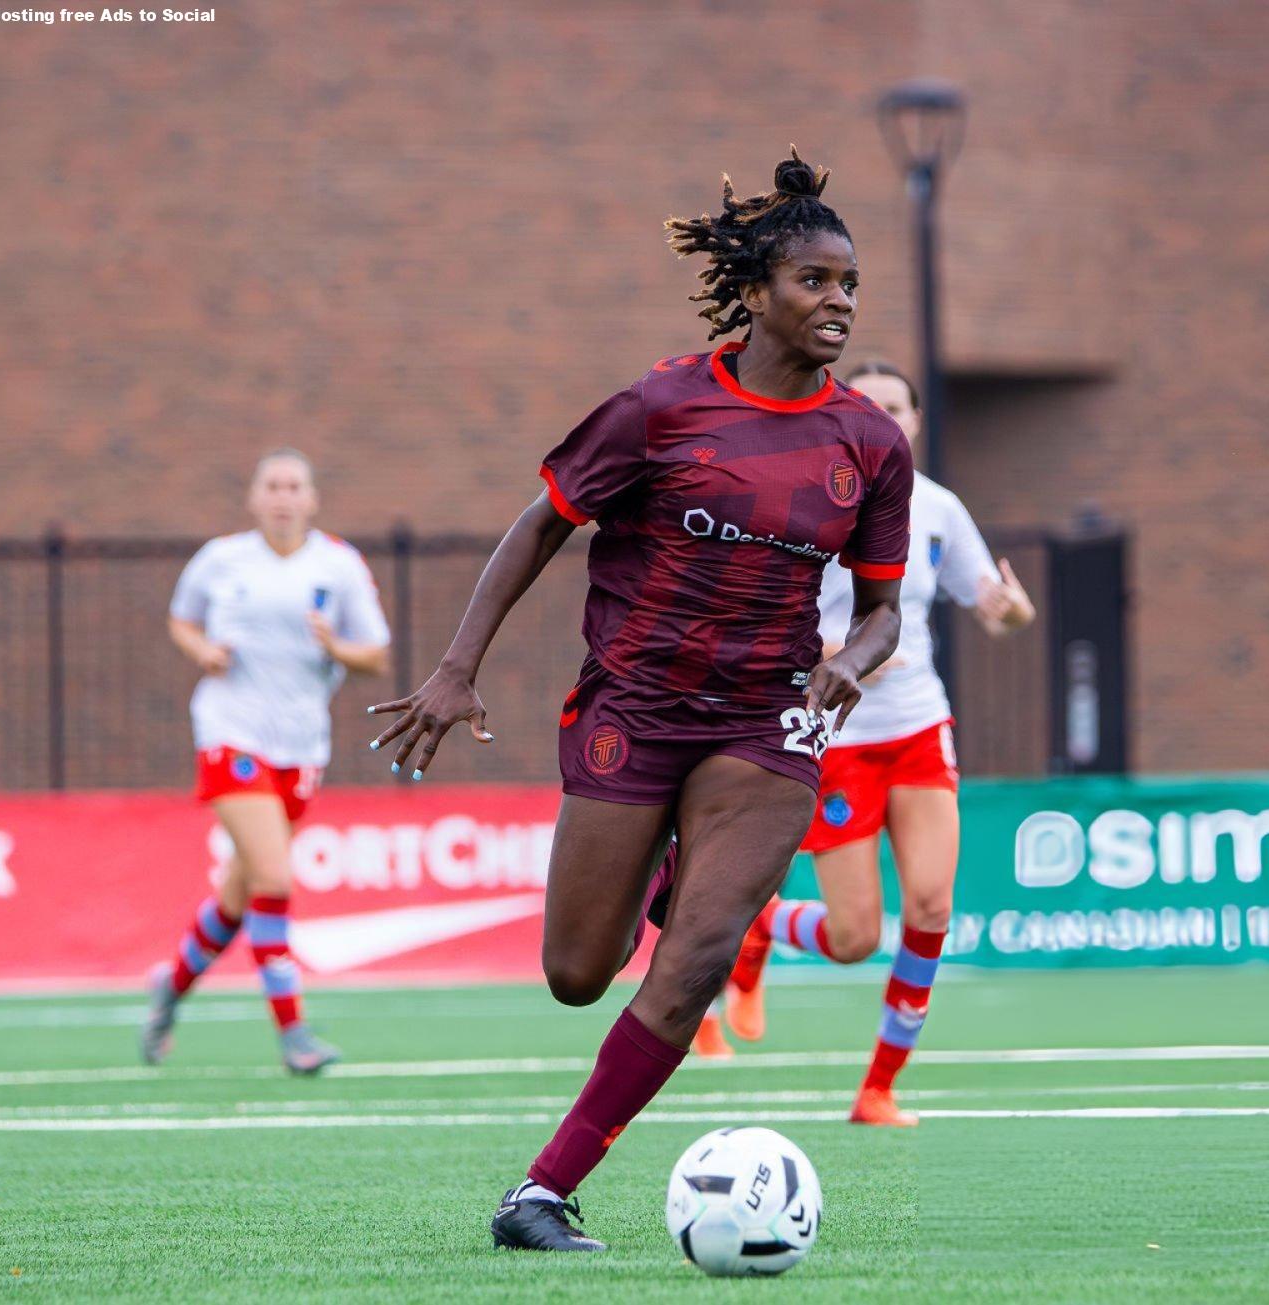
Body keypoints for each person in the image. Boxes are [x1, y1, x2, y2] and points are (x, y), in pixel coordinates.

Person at [369, 149, 913, 1253]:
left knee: (696, 959)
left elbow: (883, 608)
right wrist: (457, 666)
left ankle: (539, 1193)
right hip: (636, 708)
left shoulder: (870, 444)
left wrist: (855, 657)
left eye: (849, 284)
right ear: (756, 291)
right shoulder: (659, 406)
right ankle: (668, 869)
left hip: (768, 722)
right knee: (576, 974)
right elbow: (540, 526)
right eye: (814, 281)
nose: (838, 302)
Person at [701, 360, 1035, 1127]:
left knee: (931, 903)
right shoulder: (805, 499)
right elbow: (749, 617)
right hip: (837, 735)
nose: (882, 416)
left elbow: (994, 608)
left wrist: (1013, 610)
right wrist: (826, 652)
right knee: (853, 937)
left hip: (920, 727)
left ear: (913, 423)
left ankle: (878, 1087)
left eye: (897, 406)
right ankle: (761, 925)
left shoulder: (940, 509)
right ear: (843, 413)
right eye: (868, 403)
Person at [140, 449, 392, 1075]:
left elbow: (377, 657)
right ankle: (294, 1033)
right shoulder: (223, 559)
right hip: (231, 733)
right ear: (254, 499)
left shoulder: (339, 565)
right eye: (272, 486)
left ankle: (170, 988)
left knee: (238, 896)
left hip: (301, 745)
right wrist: (203, 650)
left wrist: (337, 647)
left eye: (294, 486)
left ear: (311, 499)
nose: (283, 496)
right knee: (274, 879)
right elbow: (181, 620)